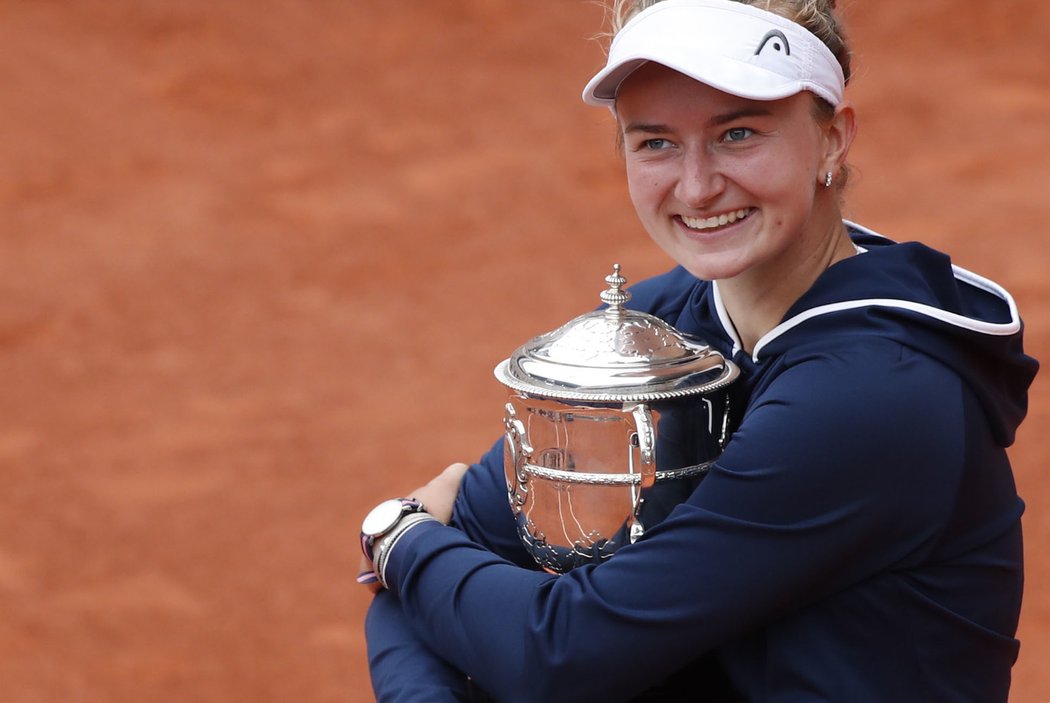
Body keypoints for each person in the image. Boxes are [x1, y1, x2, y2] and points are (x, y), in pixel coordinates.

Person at [358, 0, 1040, 700]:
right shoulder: (663, 321)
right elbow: (419, 600)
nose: (696, 186)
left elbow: (554, 653)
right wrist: (420, 563)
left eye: (737, 133)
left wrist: (397, 535)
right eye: (655, 142)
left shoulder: (874, 394)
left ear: (833, 140)